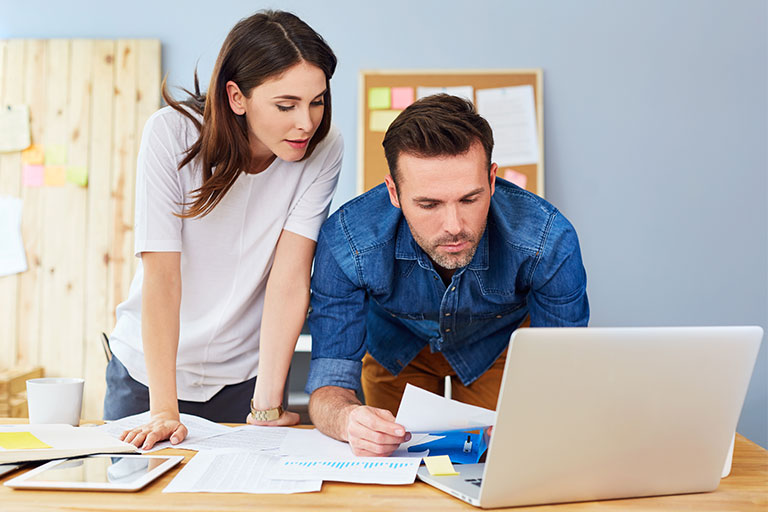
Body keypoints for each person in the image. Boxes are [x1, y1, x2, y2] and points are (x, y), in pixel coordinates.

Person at [103, 10, 342, 450]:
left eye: (317, 101)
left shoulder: (323, 148)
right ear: (237, 97)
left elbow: (289, 278)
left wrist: (267, 407)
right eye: (286, 106)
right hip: (149, 378)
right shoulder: (171, 135)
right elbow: (162, 276)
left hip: (244, 380)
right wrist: (163, 410)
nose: (306, 122)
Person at [305, 94, 589, 457]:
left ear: (491, 178)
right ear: (394, 192)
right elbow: (329, 385)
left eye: (470, 199)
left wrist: (538, 421)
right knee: (391, 458)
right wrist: (348, 419)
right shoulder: (348, 241)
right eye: (428, 204)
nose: (454, 227)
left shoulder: (547, 240)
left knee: (502, 459)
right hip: (396, 347)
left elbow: (562, 373)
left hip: (496, 346)